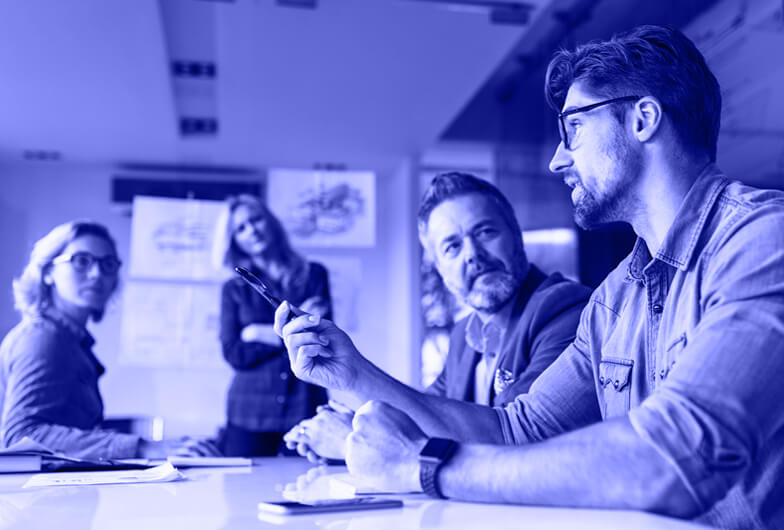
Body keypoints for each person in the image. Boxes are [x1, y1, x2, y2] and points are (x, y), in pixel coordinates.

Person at [276, 25, 784, 528]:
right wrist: (354, 375)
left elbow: (680, 456)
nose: (557, 159)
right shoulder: (615, 299)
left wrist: (425, 466)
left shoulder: (763, 239)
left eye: (573, 129)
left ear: (643, 119)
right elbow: (516, 430)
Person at [282, 172, 591, 462]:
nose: (472, 254)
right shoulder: (463, 336)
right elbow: (427, 415)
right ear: (440, 269)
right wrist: (357, 424)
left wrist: (351, 439)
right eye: (451, 247)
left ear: (516, 236)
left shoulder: (567, 311)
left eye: (484, 232)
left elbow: (511, 440)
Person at [0, 220, 217, 459]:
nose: (97, 274)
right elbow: (22, 435)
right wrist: (143, 447)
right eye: (81, 261)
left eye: (107, 265)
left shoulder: (71, 341)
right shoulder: (43, 338)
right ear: (48, 273)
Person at [212, 194, 331, 456]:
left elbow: (321, 339)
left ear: (271, 223)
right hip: (249, 412)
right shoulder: (233, 289)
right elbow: (234, 353)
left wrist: (258, 333)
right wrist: (292, 332)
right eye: (240, 228)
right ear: (234, 241)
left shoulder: (314, 275)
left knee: (307, 489)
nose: (251, 230)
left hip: (305, 406)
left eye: (256, 220)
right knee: (242, 493)